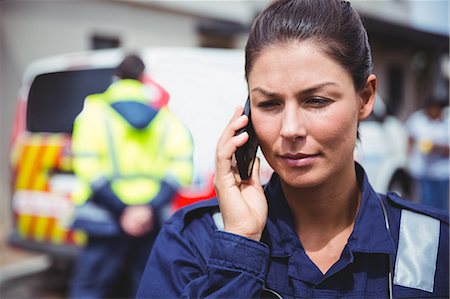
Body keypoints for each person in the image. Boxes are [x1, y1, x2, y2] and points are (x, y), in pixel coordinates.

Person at [137, 1, 449, 298]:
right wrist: (239, 247)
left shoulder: (436, 242)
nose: (290, 129)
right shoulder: (193, 240)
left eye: (316, 101)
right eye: (269, 104)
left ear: (365, 98)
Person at [69, 53, 194, 298]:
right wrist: (146, 209)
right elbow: (180, 169)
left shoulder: (94, 113)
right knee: (144, 288)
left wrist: (123, 209)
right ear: (143, 78)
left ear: (117, 77)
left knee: (90, 289)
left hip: (104, 217)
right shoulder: (167, 118)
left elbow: (88, 168)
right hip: (150, 220)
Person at [405, 97, 449, 211]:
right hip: (423, 171)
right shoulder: (418, 119)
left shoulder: (446, 122)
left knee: (440, 205)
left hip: (441, 172)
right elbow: (410, 137)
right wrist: (409, 156)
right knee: (425, 203)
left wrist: (435, 147)